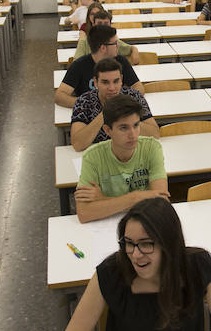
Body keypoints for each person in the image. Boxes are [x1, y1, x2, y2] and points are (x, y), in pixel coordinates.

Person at [61, 197, 211, 331]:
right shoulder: (111, 272)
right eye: (129, 243)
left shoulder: (198, 265)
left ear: (169, 244)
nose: (135, 254)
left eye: (146, 244)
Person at [74, 95, 168, 223]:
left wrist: (103, 200)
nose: (133, 134)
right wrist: (134, 198)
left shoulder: (152, 147)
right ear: (107, 130)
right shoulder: (92, 157)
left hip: (144, 223)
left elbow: (161, 202)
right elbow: (84, 213)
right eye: (124, 128)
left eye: (136, 125)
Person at [71, 58, 159, 151]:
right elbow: (77, 144)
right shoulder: (84, 101)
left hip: (130, 153)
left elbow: (155, 134)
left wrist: (128, 119)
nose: (112, 88)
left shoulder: (134, 97)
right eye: (105, 82)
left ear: (121, 79)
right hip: (100, 155)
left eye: (116, 81)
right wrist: (107, 112)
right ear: (96, 82)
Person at [56, 25, 142, 108]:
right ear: (103, 48)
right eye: (115, 43)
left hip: (118, 111)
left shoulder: (121, 61)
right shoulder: (79, 65)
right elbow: (59, 96)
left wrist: (123, 103)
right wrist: (88, 104)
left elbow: (138, 87)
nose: (118, 46)